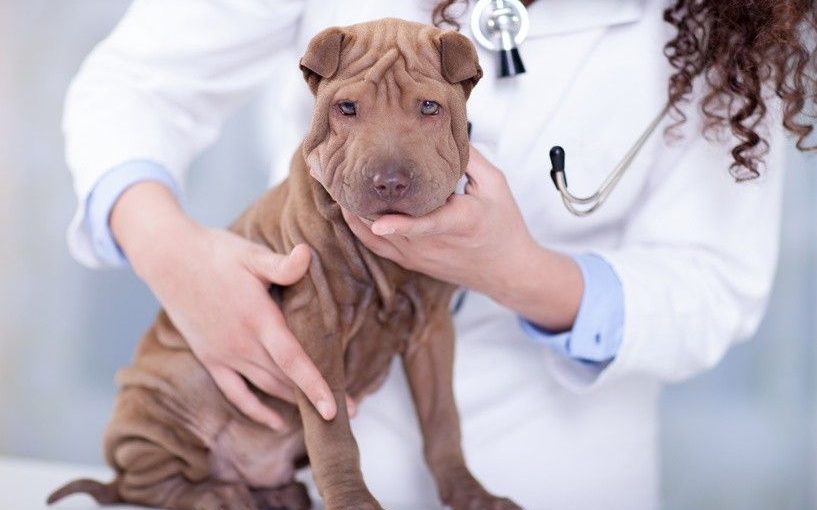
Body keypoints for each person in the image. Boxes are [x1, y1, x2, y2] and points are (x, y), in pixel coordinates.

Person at [63, 0, 816, 508]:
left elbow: (717, 284)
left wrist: (521, 275)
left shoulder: (714, 21)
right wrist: (172, 252)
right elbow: (135, 82)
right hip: (286, 448)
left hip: (555, 460)